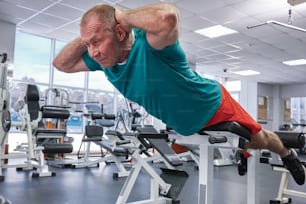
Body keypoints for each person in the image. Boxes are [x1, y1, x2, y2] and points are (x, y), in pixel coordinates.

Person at [52, 3, 306, 185]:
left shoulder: (151, 43)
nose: (93, 52)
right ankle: (243, 152)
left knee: (259, 139)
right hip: (184, 124)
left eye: (97, 42)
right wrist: (88, 36)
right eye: (89, 45)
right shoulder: (104, 61)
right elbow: (61, 64)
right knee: (230, 145)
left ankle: (287, 154)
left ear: (120, 32)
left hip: (214, 105)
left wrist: (121, 14)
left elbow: (167, 17)